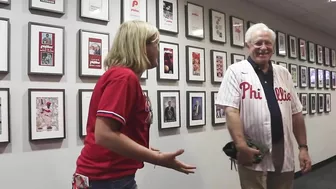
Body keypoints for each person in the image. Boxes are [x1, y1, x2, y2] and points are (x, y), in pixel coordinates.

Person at [72, 20, 196, 189]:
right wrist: (157, 159)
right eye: (156, 45)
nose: (159, 51)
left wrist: (149, 150)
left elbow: (118, 132)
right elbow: (104, 134)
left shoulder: (119, 75)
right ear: (141, 46)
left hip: (106, 177)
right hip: (107, 178)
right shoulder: (124, 77)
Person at [215, 23, 312, 189]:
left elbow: (296, 113)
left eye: (268, 43)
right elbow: (231, 111)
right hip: (253, 154)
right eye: (258, 43)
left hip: (283, 153)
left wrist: (303, 148)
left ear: (273, 47)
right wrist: (241, 146)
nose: (263, 47)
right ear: (248, 45)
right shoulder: (236, 71)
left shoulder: (284, 73)